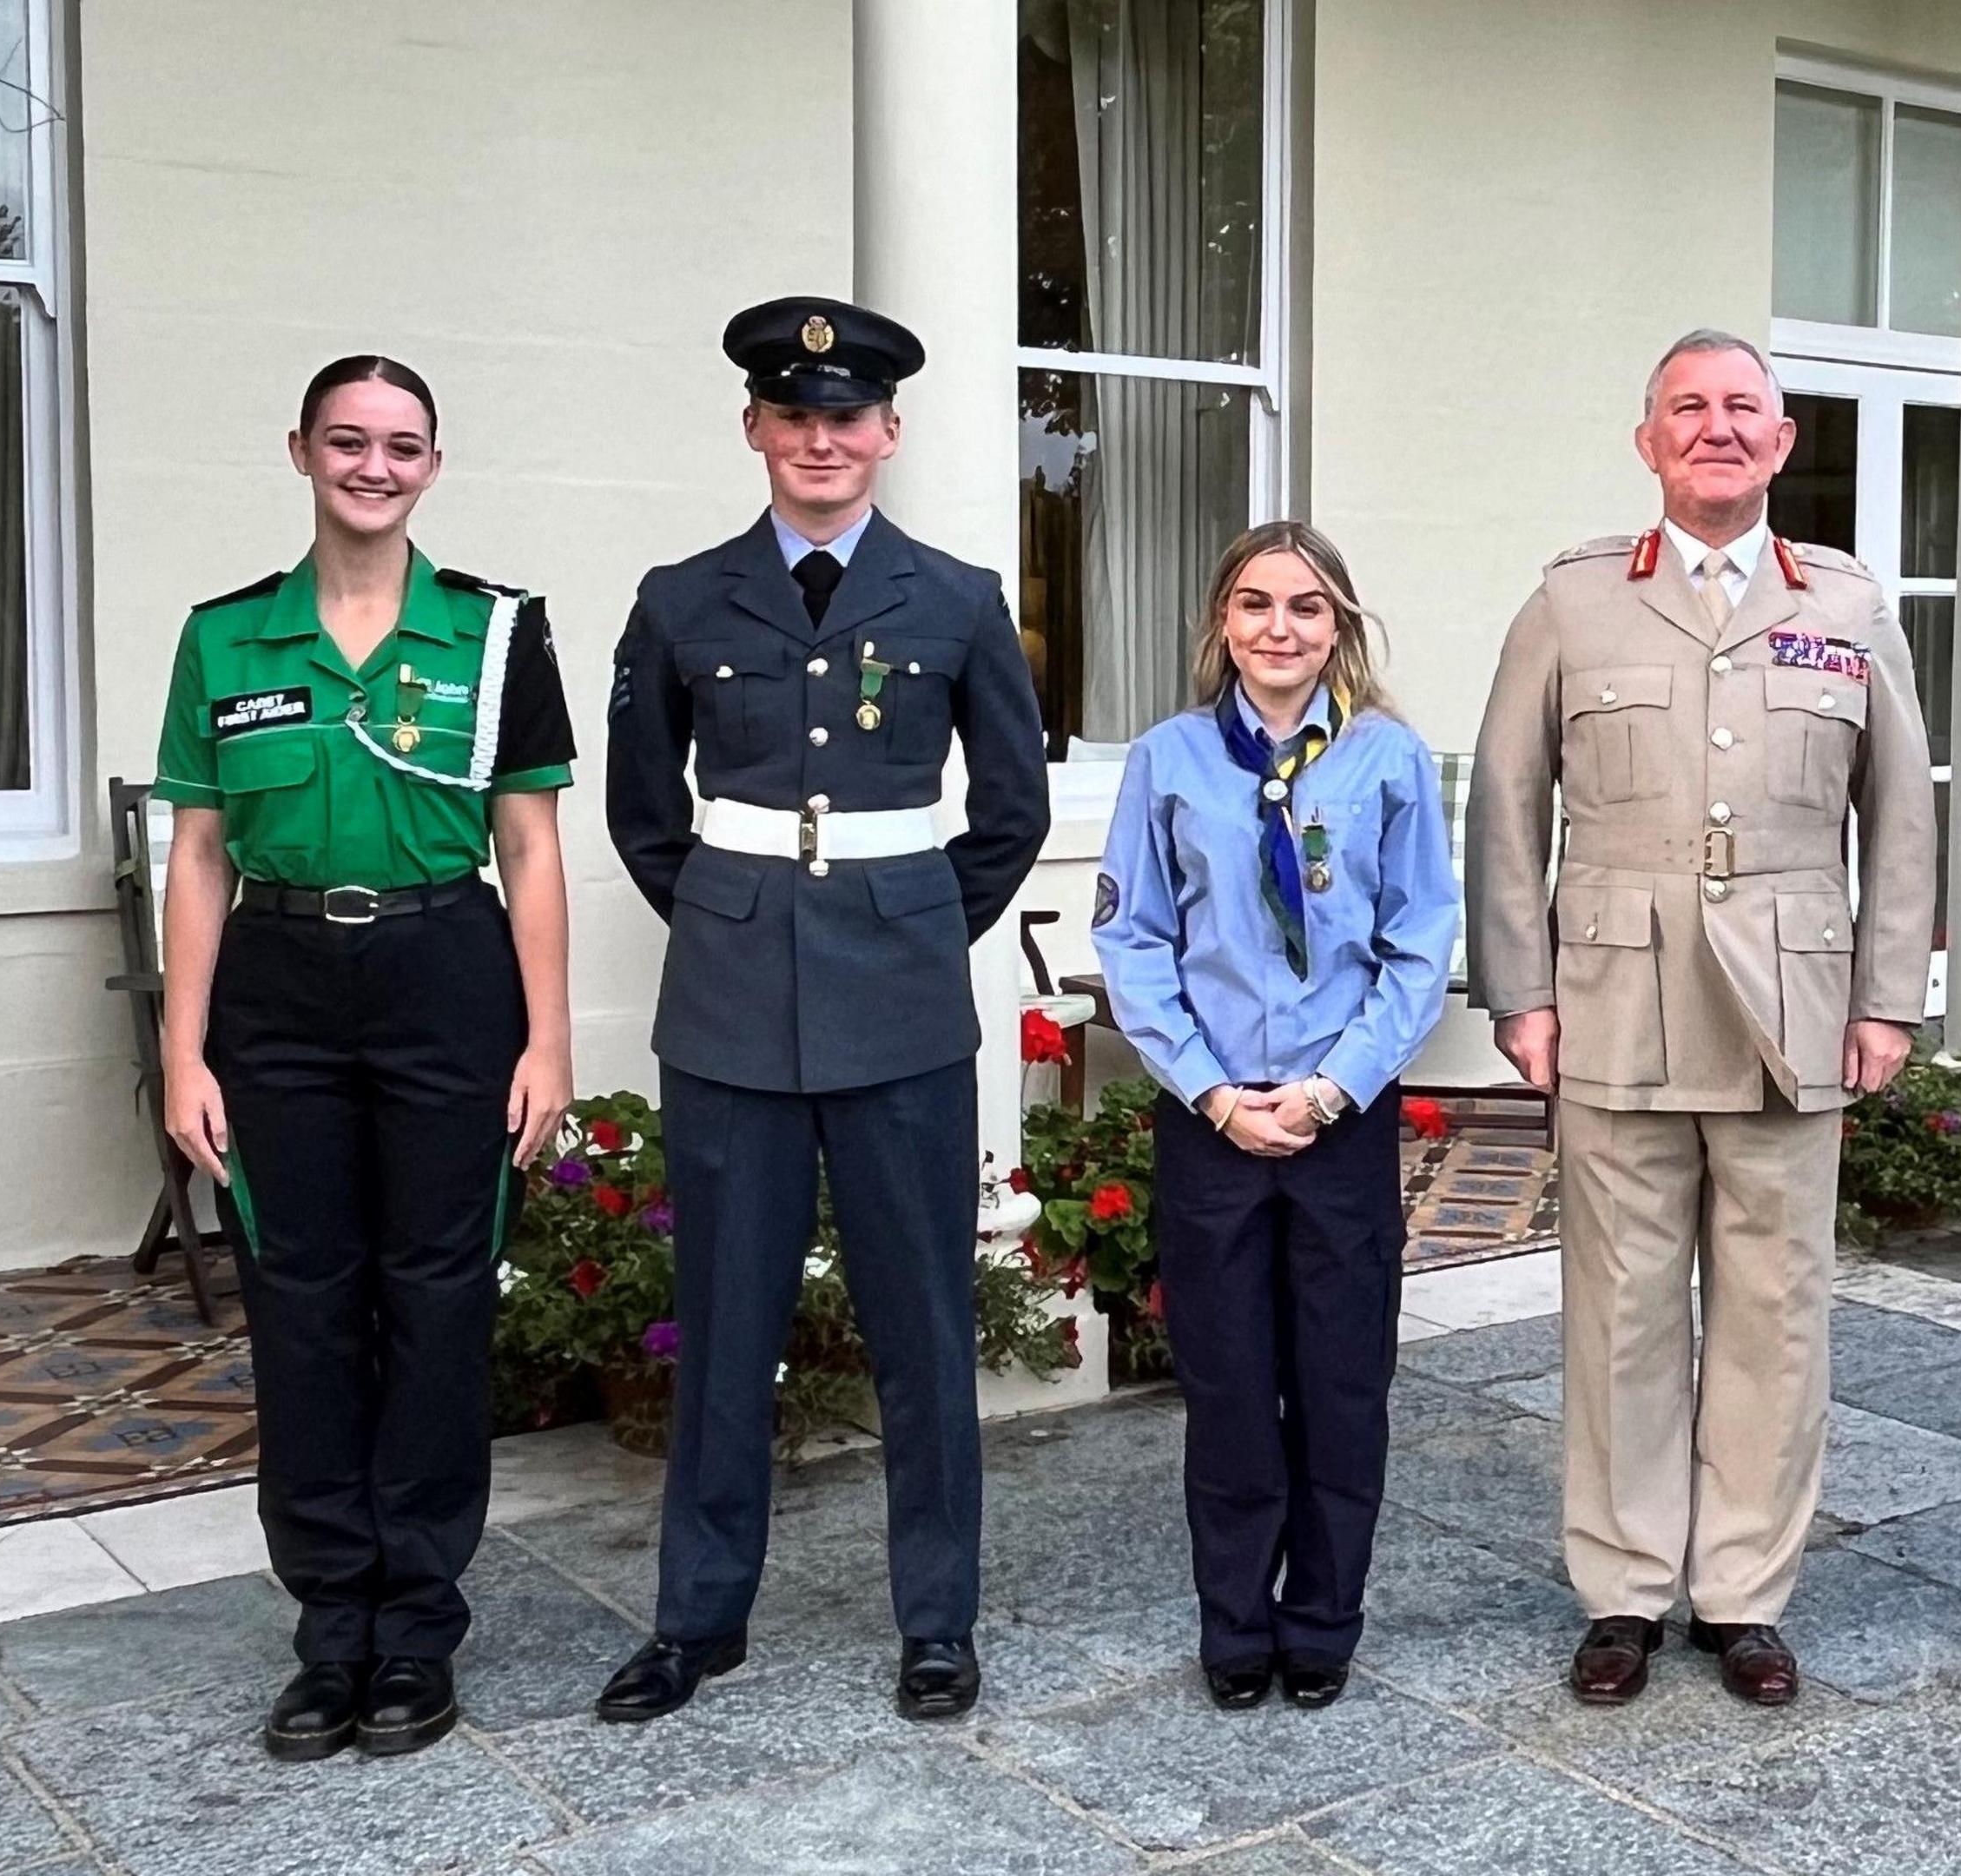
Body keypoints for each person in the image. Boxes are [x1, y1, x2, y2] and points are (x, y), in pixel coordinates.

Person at [1465, 328, 1938, 1708]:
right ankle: (1622, 1588)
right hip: (1618, 1004)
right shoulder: (1572, 602)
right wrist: (1522, 991)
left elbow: (1901, 812)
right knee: (1618, 1314)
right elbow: (1506, 803)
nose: (1718, 429)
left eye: (1744, 410)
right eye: (1690, 409)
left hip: (1794, 1012)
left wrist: (1889, 999)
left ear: (1784, 443)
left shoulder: (1847, 607)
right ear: (1648, 442)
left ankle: (1742, 1591)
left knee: (1775, 1316)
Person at [598, 298, 1052, 1724]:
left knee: (922, 1322)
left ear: (888, 435)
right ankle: (696, 1619)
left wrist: (904, 923)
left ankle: (937, 1621)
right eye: (792, 417)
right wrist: (738, 919)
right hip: (731, 1008)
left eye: (845, 418)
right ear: (754, 429)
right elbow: (640, 808)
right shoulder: (681, 597)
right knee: (725, 1321)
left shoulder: (958, 597)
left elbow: (1011, 811)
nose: (820, 440)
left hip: (901, 1004)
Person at [155, 356, 576, 1760]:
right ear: (302, 453)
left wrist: (549, 1043)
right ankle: (332, 1628)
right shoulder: (226, 639)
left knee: (439, 1297)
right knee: (304, 1302)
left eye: (401, 446)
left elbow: (528, 847)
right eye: (349, 442)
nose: (374, 466)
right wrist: (183, 1049)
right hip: (276, 993)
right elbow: (201, 854)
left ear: (434, 468)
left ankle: (418, 1630)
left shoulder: (500, 632)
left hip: (444, 976)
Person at [1093, 521, 1458, 1713]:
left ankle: (1324, 1619)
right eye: (1255, 605)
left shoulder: (1388, 762)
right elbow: (1135, 939)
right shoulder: (1168, 761)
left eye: (1306, 607)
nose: (1279, 629)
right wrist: (1209, 1089)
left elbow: (1416, 944)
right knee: (1233, 1386)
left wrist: (1329, 1088)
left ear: (1340, 625)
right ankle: (1236, 1623)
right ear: (1222, 625)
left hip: (1337, 1119)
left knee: (1343, 1385)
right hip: (1213, 1126)